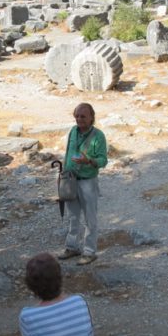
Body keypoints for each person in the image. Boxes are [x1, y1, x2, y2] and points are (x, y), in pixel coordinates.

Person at [58, 103, 108, 265]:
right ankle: (72, 247)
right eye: (77, 116)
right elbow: (67, 152)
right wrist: (64, 173)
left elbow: (103, 160)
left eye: (83, 116)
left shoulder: (98, 136)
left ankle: (89, 251)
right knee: (73, 217)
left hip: (88, 182)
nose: (79, 119)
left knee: (90, 218)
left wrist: (89, 161)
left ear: (92, 118)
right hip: (71, 180)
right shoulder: (73, 131)